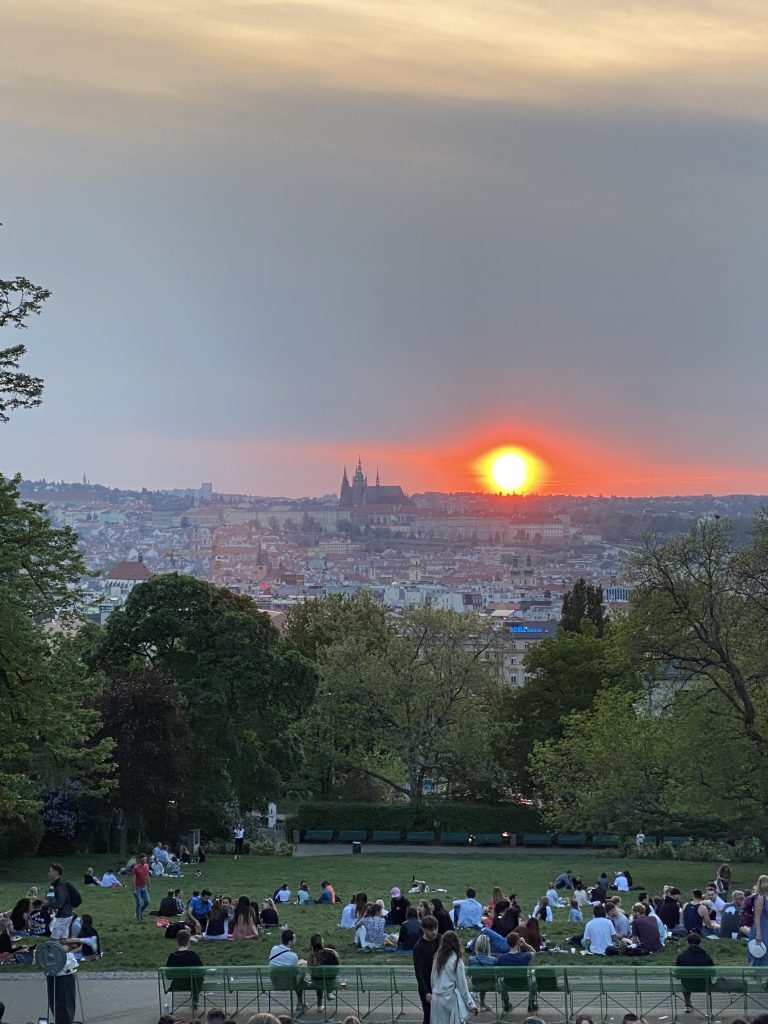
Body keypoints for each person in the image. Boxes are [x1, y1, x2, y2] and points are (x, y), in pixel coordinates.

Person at [429, 930, 477, 1024]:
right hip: (450, 998)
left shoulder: (437, 958)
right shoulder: (457, 961)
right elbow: (462, 986)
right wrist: (470, 1004)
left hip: (437, 997)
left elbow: (432, 979)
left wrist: (434, 991)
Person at [268, 928, 306, 1009]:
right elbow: (296, 973)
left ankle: (300, 1003)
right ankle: (300, 1003)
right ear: (289, 942)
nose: (296, 940)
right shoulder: (293, 956)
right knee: (302, 973)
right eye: (294, 939)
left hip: (275, 982)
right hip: (288, 984)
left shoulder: (274, 949)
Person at [675, 932, 714, 1011]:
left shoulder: (682, 956)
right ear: (699, 942)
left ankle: (687, 1004)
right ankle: (709, 1010)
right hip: (704, 985)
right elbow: (713, 972)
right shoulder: (706, 955)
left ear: (688, 942)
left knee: (684, 982)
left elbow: (678, 975)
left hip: (688, 985)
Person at [413, 915, 440, 1024]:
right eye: (430, 929)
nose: (434, 932)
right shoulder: (418, 947)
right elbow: (418, 972)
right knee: (429, 1016)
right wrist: (426, 992)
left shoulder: (441, 939)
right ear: (423, 929)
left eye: (435, 928)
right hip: (427, 985)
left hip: (440, 984)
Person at [306, 933, 340, 1013]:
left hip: (317, 983)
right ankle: (329, 992)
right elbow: (337, 969)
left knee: (318, 979)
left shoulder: (311, 956)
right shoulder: (331, 953)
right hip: (331, 983)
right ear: (322, 942)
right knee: (325, 977)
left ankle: (319, 1004)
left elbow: (310, 970)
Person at [46, 863, 76, 939]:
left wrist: (47, 903)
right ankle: (65, 951)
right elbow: (51, 898)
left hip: (63, 917)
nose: (49, 873)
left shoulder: (60, 887)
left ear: (56, 872)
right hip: (64, 915)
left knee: (54, 940)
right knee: (63, 940)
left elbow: (59, 904)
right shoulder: (54, 885)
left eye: (50, 871)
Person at [748, 874, 768, 966]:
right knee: (760, 949)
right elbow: (757, 916)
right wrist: (758, 933)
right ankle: (757, 973)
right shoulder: (760, 898)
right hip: (761, 926)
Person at [132, 854, 151, 922]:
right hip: (137, 888)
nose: (144, 861)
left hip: (144, 887)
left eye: (145, 860)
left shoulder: (146, 866)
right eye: (143, 860)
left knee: (147, 902)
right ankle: (138, 917)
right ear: (140, 860)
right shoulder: (135, 868)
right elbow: (133, 879)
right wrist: (134, 890)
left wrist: (149, 884)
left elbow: (147, 875)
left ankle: (139, 912)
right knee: (139, 903)